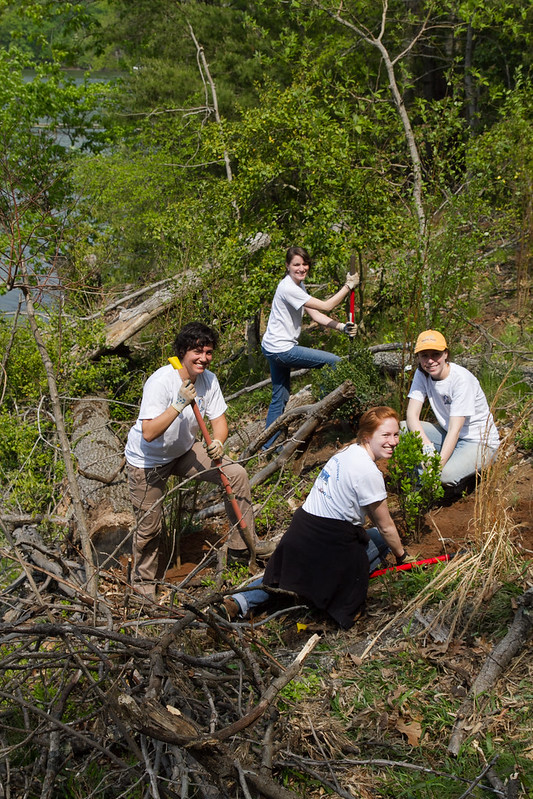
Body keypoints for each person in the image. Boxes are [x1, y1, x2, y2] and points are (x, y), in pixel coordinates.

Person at [223, 406, 410, 629]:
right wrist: (403, 556)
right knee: (380, 542)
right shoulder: (369, 472)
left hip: (301, 530)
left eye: (396, 434)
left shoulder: (346, 452)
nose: (393, 441)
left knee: (280, 575)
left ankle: (239, 601)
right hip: (328, 541)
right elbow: (386, 526)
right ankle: (325, 588)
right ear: (367, 436)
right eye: (386, 435)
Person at [125, 321, 273, 599]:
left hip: (183, 451)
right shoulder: (161, 381)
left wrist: (217, 441)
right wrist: (178, 404)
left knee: (236, 474)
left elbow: (219, 422)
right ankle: (142, 589)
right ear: (183, 352)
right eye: (197, 352)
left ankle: (242, 549)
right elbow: (149, 433)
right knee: (149, 526)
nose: (203, 358)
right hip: (147, 461)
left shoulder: (209, 380)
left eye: (208, 352)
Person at [261, 246, 358, 449]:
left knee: (280, 396)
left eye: (305, 264)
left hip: (272, 347)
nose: (302, 268)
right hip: (281, 349)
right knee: (334, 362)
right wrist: (348, 287)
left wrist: (341, 326)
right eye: (296, 264)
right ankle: (320, 409)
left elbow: (316, 315)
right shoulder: (288, 288)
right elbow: (326, 305)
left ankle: (265, 446)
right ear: (287, 266)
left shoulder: (298, 286)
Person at [405, 329, 500, 488]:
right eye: (424, 355)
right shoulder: (422, 373)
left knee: (444, 475)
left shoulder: (461, 379)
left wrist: (436, 467)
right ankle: (418, 487)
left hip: (478, 442)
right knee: (403, 429)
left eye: (435, 354)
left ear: (445, 354)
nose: (430, 361)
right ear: (419, 358)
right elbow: (411, 415)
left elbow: (456, 429)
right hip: (449, 434)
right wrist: (427, 447)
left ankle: (466, 480)